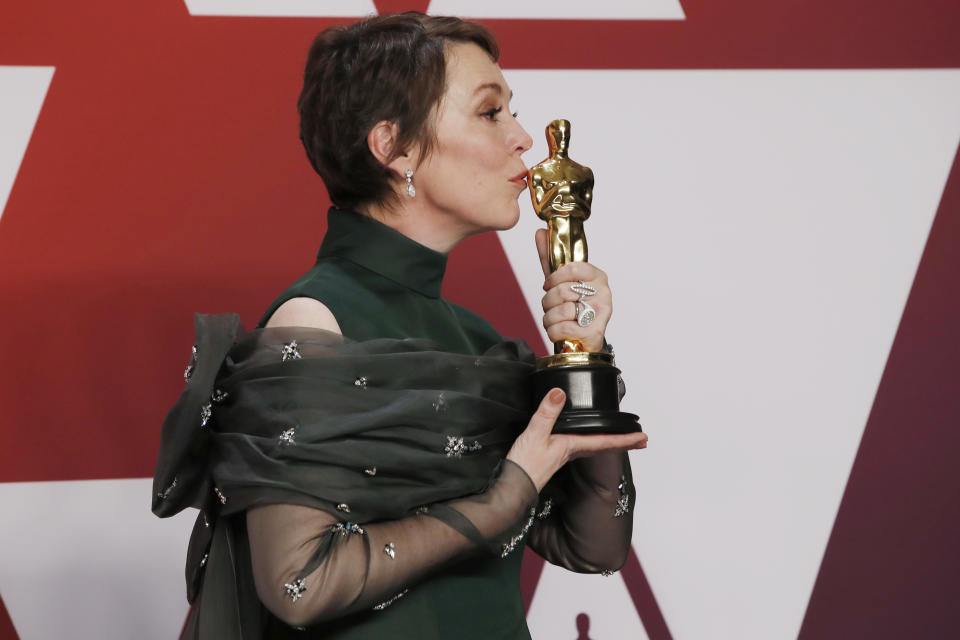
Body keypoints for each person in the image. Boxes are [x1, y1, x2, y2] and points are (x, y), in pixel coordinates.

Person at [152, 12, 647, 639]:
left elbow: (594, 546)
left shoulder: (479, 341)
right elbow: (299, 584)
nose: (523, 138)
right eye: (491, 112)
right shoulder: (314, 320)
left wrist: (584, 352)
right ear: (393, 148)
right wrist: (504, 495)